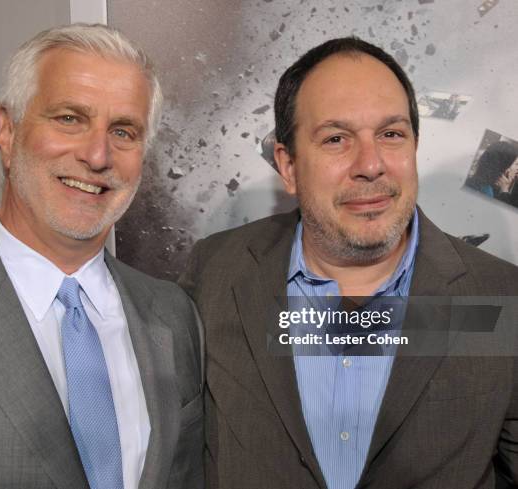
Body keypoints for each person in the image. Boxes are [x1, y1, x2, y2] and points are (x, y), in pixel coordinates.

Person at [179, 37, 518, 488]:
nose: (371, 165)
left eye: (391, 134)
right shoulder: (215, 273)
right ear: (288, 165)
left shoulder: (498, 296)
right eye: (336, 139)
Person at [0, 24, 203, 489]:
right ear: (8, 131)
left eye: (123, 131)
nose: (98, 154)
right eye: (70, 118)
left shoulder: (173, 315)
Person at [466, 140, 518, 207]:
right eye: (516, 164)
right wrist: (504, 191)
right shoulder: (487, 191)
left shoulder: (477, 183)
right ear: (504, 167)